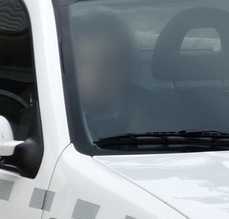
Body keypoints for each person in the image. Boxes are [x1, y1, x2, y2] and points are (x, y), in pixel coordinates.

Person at [70, 12, 169, 140]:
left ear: (127, 67)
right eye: (86, 62)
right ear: (70, 67)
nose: (98, 73)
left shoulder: (157, 122)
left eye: (110, 62)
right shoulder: (53, 111)